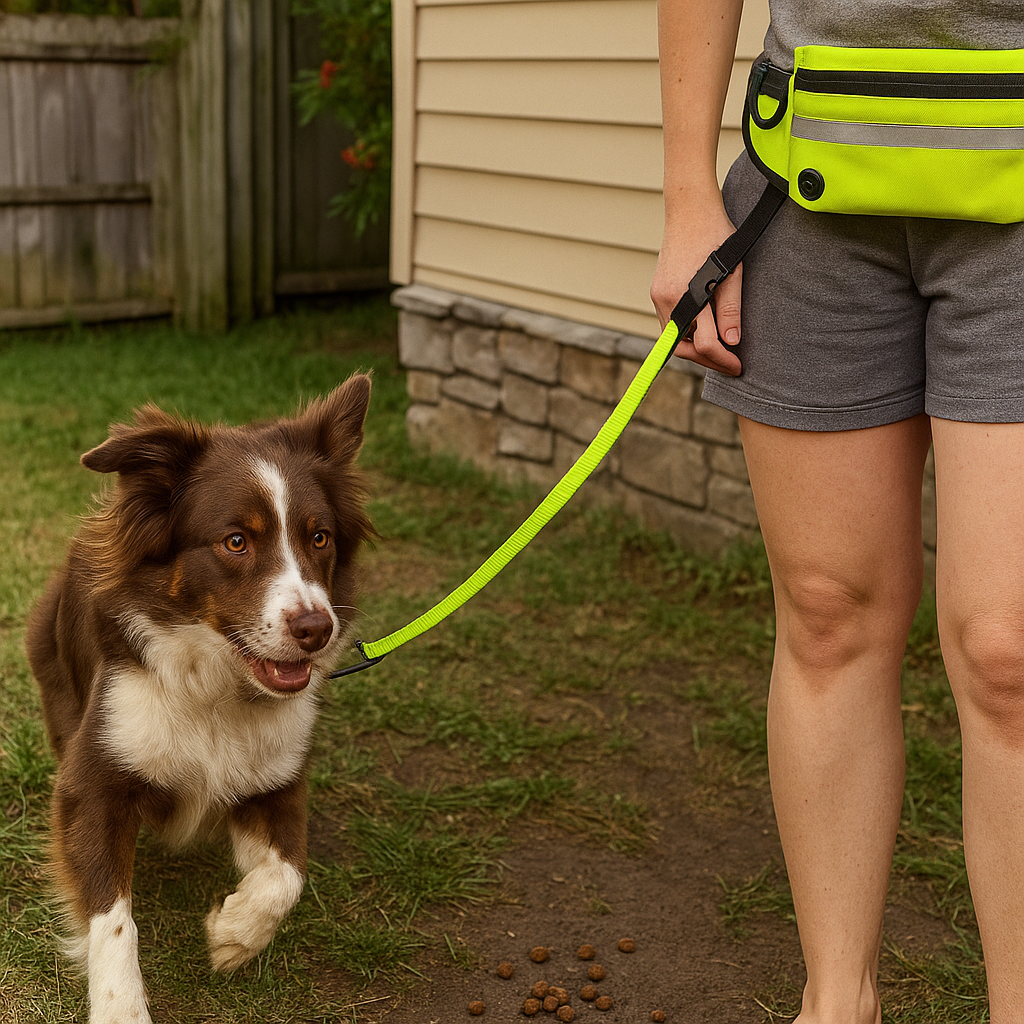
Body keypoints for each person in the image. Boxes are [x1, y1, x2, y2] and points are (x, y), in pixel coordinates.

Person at [650, 3, 1024, 1023]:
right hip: (808, 192)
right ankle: (835, 1002)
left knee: (1008, 654)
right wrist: (689, 195)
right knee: (824, 613)